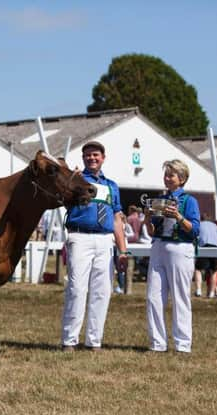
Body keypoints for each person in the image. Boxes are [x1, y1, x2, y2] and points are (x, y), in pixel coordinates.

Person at [61, 140, 128, 352]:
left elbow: (117, 218)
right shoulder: (76, 179)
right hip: (80, 237)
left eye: (95, 155)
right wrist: (70, 179)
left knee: (102, 291)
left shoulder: (112, 186)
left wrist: (123, 250)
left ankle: (94, 341)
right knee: (77, 289)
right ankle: (70, 340)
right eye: (88, 155)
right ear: (83, 158)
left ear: (103, 157)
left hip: (105, 239)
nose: (92, 158)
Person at [144, 159, 200, 353]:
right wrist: (147, 217)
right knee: (154, 296)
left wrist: (178, 216)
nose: (167, 178)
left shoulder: (189, 201)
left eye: (171, 175)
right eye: (166, 174)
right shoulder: (160, 199)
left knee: (180, 296)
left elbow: (194, 230)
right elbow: (152, 231)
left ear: (182, 178)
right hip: (159, 246)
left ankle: (183, 344)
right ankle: (157, 343)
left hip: (180, 248)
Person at [194, 213, 217, 298]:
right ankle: (212, 293)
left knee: (198, 269)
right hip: (215, 247)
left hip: (204, 246)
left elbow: (196, 237)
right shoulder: (215, 226)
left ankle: (198, 290)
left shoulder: (199, 224)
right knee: (214, 271)